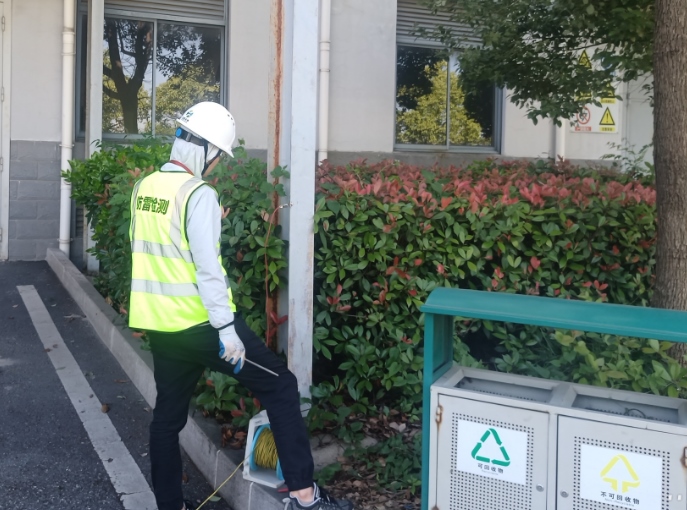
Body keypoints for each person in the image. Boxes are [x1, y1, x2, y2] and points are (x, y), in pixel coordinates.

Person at [128, 101, 354, 510]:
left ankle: (168, 504)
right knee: (281, 387)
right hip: (203, 327)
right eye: (217, 158)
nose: (215, 167)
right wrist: (226, 330)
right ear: (208, 151)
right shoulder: (197, 194)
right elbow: (208, 270)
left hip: (161, 327)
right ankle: (305, 496)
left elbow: (155, 253)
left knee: (167, 420)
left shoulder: (145, 188)